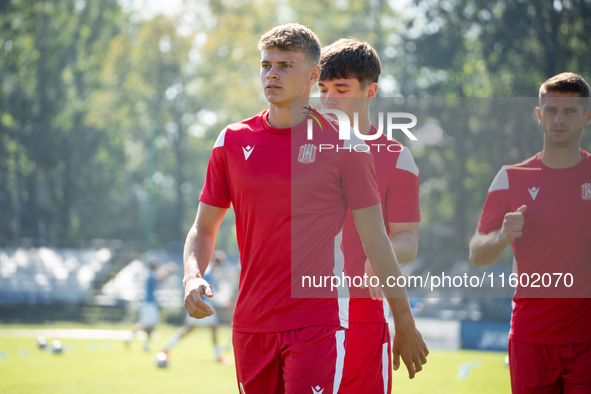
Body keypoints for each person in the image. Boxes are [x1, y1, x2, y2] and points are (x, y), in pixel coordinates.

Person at [183, 23, 427, 394]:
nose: (272, 74)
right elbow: (203, 228)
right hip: (251, 323)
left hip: (319, 320)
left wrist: (403, 321)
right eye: (267, 65)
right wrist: (192, 275)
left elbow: (378, 238)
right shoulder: (230, 141)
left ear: (312, 75)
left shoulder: (347, 145)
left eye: (285, 65)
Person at [469, 72, 591, 393]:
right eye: (551, 110)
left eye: (570, 111)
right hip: (530, 337)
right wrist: (502, 237)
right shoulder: (511, 177)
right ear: (539, 115)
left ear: (587, 116)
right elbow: (477, 255)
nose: (559, 119)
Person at [318, 39, 422, 394]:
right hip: (302, 314)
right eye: (323, 89)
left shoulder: (396, 157)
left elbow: (407, 239)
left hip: (363, 313)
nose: (329, 99)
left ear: (369, 91)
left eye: (341, 89)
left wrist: (383, 258)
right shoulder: (298, 150)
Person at [160, 250, 232, 364]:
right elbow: (210, 292)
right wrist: (223, 303)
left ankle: (166, 348)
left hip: (199, 303)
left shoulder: (208, 271)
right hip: (202, 304)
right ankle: (218, 356)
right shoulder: (208, 273)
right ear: (217, 263)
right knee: (212, 328)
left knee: (191, 329)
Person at [131, 259, 176, 352]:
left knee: (149, 325)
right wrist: (169, 271)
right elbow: (160, 279)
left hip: (150, 303)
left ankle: (145, 345)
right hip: (149, 304)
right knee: (147, 324)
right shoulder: (151, 275)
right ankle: (133, 339)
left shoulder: (150, 274)